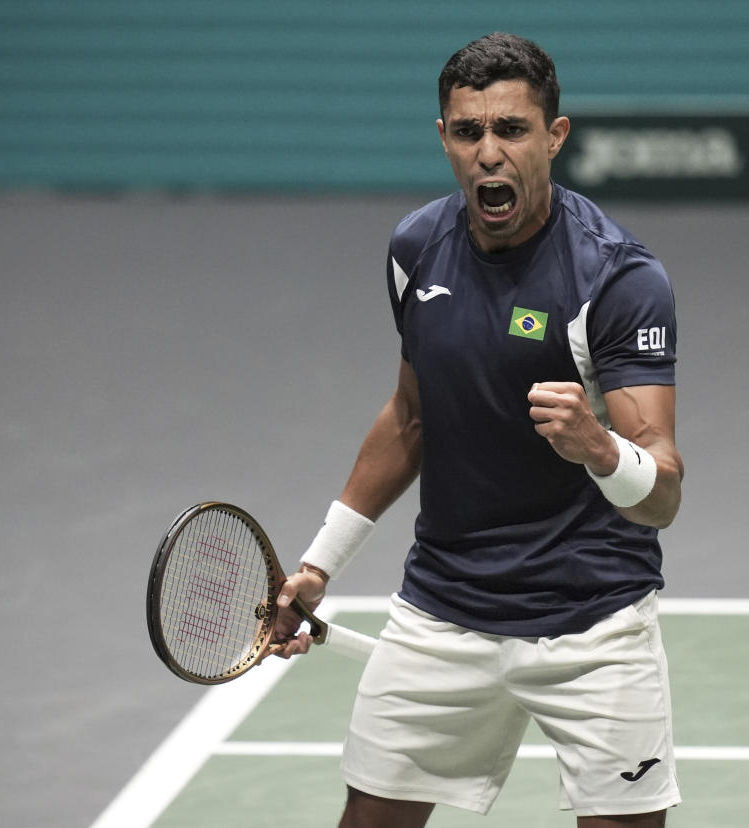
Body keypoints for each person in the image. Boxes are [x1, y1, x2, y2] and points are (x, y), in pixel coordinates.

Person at [269, 32, 684, 828]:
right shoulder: (415, 248)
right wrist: (319, 565)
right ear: (444, 139)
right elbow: (411, 416)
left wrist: (601, 450)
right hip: (444, 611)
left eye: (512, 130)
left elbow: (660, 496)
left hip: (592, 624)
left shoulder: (621, 280)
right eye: (468, 133)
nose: (489, 154)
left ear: (555, 137)